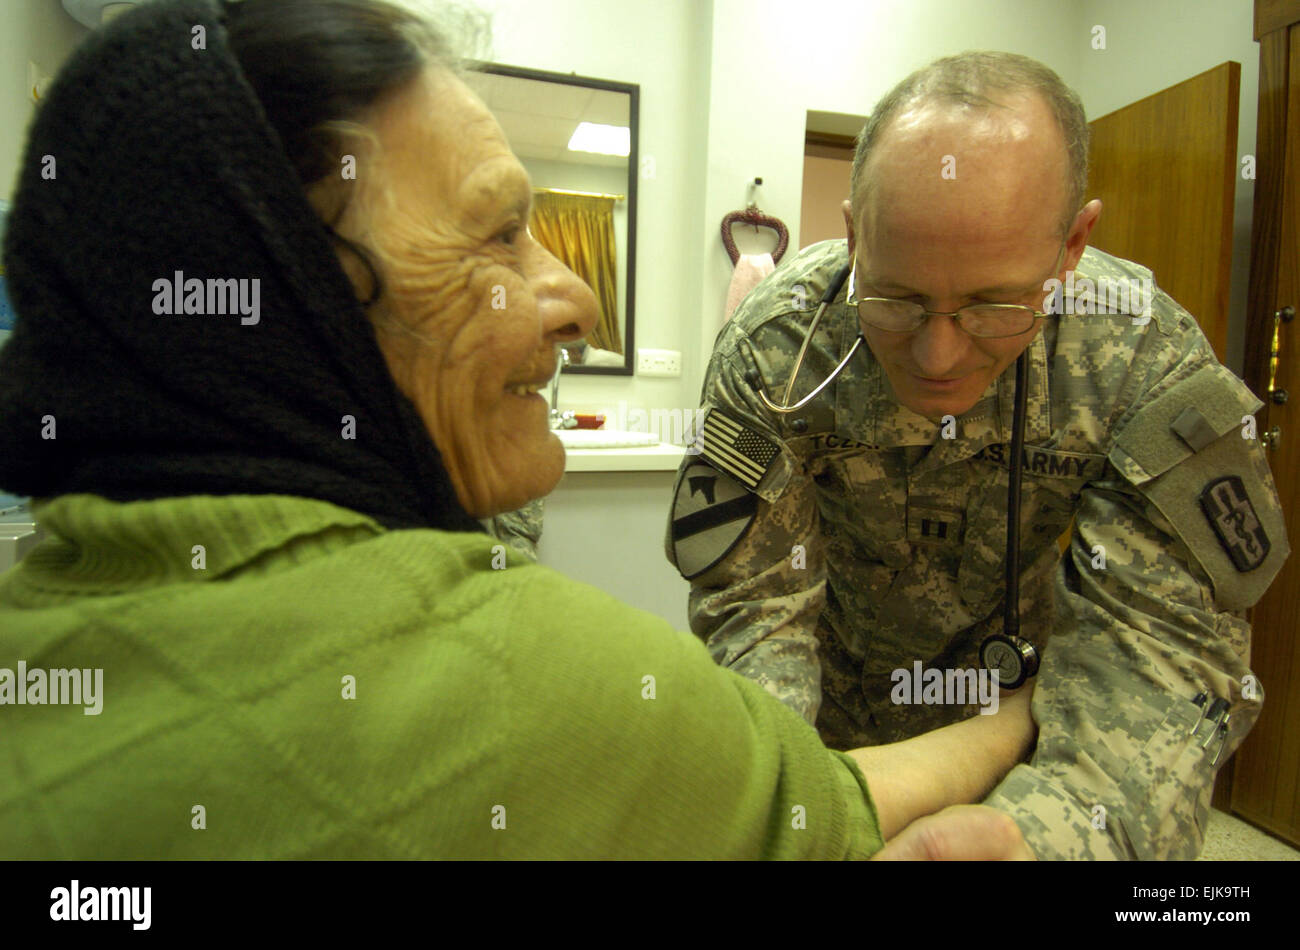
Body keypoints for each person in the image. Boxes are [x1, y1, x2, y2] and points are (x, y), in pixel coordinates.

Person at [0, 0, 1036, 860]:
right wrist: (1013, 717)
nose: (578, 296)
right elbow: (821, 805)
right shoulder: (525, 683)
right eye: (498, 233)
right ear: (288, 289)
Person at [667, 50, 1289, 860]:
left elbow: (1163, 651)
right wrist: (791, 811)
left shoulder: (1144, 357)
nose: (936, 355)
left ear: (1072, 245)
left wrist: (1043, 837)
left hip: (1037, 741)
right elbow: (757, 612)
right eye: (898, 300)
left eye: (994, 305)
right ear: (855, 235)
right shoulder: (777, 349)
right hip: (839, 746)